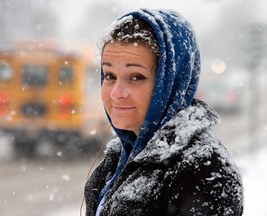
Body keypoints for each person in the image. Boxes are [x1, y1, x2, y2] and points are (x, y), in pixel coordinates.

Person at [84, 8, 244, 216]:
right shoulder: (118, 157)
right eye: (109, 76)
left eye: (136, 77)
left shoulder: (203, 169)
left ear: (170, 83)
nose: (116, 93)